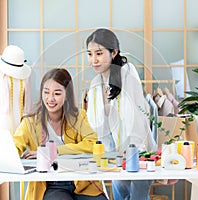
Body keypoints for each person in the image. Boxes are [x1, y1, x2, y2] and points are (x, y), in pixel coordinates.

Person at [13, 68, 107, 200]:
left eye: (57, 93)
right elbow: (14, 147)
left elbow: (93, 144)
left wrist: (54, 151)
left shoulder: (78, 117)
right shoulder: (30, 122)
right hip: (50, 185)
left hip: (82, 182)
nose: (50, 99)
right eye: (46, 92)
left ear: (67, 94)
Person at [86, 28, 157, 200]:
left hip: (136, 150)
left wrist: (133, 148)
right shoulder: (96, 83)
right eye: (89, 54)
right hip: (114, 153)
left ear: (114, 52)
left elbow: (138, 115)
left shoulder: (127, 72)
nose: (93, 60)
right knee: (119, 194)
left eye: (99, 53)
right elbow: (96, 124)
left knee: (138, 196)